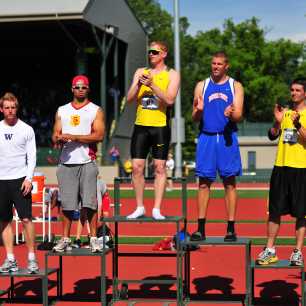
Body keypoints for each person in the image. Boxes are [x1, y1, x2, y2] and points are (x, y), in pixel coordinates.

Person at [191, 51, 244, 242]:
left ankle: (230, 228)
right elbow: (194, 117)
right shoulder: (201, 85)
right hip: (206, 137)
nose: (215, 67)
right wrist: (198, 110)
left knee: (229, 182)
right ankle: (200, 228)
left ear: (226, 66)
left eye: (219, 64)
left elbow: (239, 115)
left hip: (226, 137)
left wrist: (231, 113)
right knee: (203, 183)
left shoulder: (235, 86)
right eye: (213, 63)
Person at [126, 41, 180, 220]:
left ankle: (157, 208)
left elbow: (170, 99)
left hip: (160, 126)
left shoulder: (172, 74)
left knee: (159, 167)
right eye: (149, 51)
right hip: (141, 125)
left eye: (155, 52)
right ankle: (140, 206)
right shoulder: (141, 72)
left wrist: (153, 85)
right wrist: (140, 85)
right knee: (137, 167)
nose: (151, 54)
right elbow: (130, 98)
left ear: (164, 54)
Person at [52, 75, 105, 252]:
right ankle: (66, 238)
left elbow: (99, 136)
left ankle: (94, 238)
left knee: (90, 203)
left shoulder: (95, 110)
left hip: (86, 161)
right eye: (77, 87)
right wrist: (58, 139)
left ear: (88, 89)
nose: (80, 89)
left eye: (83, 87)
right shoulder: (62, 110)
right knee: (66, 204)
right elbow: (55, 134)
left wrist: (74, 137)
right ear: (72, 89)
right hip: (66, 162)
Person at [257, 78, 306, 266]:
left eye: (298, 90)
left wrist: (298, 125)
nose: (293, 93)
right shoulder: (285, 113)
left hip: (301, 169)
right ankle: (270, 250)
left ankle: (297, 252)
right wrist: (277, 123)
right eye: (292, 90)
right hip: (281, 167)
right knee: (274, 211)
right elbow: (272, 135)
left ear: (305, 93)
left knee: (302, 213)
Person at [0, 92, 39, 273]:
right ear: (1, 109)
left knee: (26, 219)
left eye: (13, 107)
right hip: (1, 181)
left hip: (20, 180)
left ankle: (32, 259)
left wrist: (29, 178)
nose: (10, 111)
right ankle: (10, 259)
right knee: (4, 221)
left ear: (17, 108)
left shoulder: (26, 129)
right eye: (6, 108)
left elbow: (31, 156)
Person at [72, 177, 111, 248]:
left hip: (104, 196)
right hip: (89, 195)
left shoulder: (96, 187)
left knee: (105, 214)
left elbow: (99, 206)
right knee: (82, 214)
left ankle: (107, 237)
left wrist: (94, 233)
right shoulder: (81, 189)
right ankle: (77, 239)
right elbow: (82, 212)